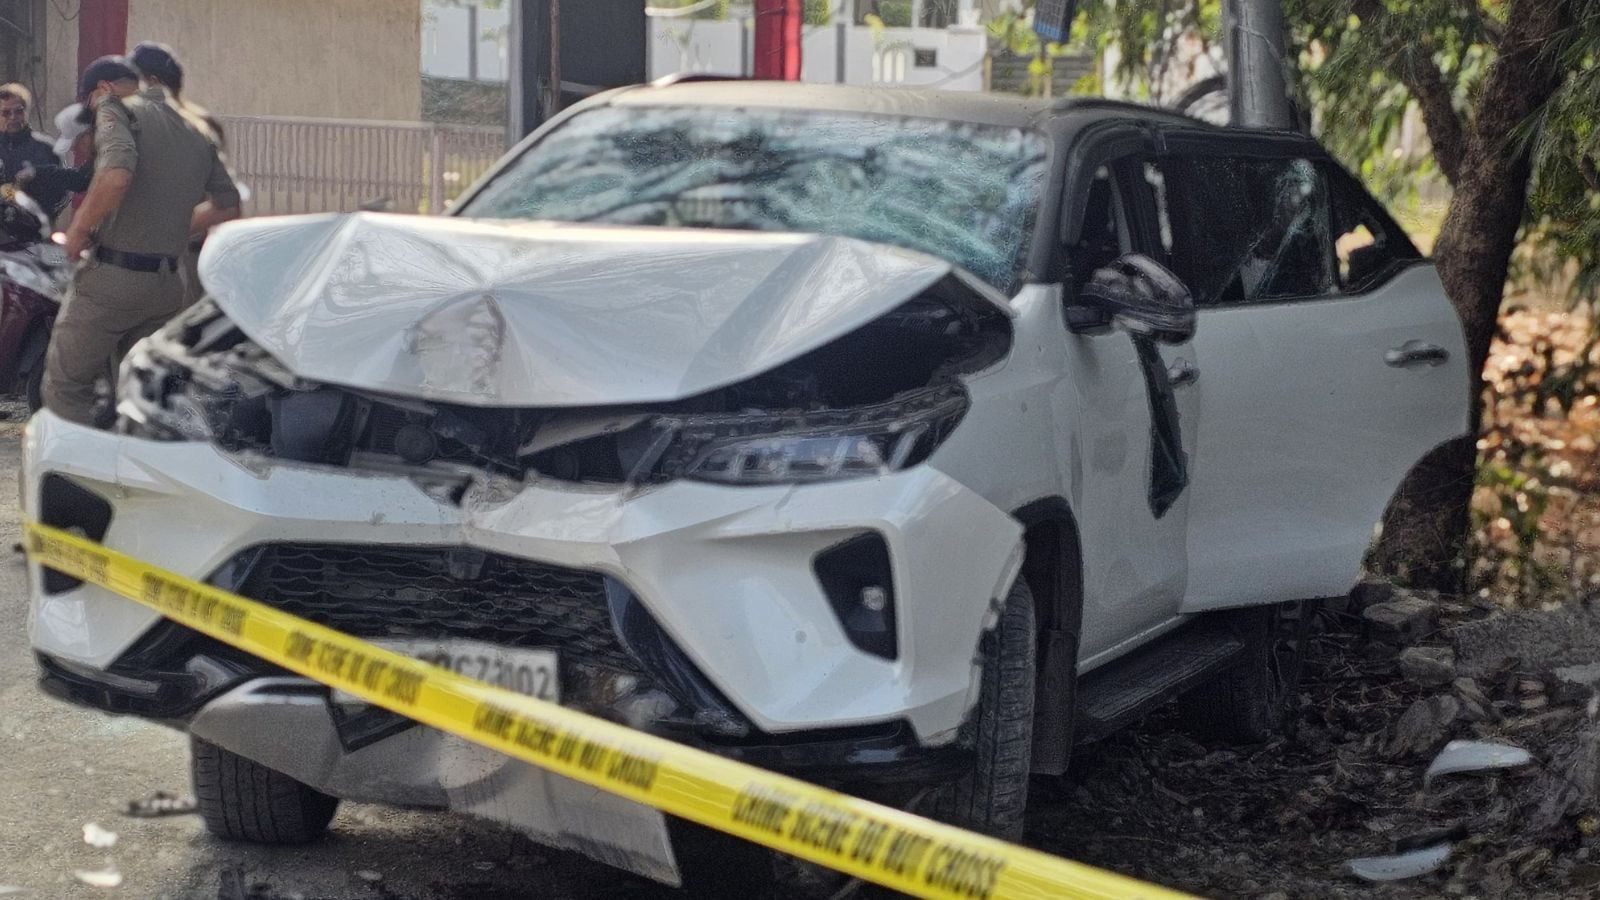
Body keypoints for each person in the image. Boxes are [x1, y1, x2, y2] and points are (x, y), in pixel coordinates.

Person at [41, 55, 241, 427]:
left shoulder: (114, 108)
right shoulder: (193, 125)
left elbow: (117, 175)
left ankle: (75, 475)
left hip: (113, 278)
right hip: (167, 285)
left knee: (66, 386)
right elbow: (228, 206)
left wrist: (80, 230)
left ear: (101, 90)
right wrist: (172, 227)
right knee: (140, 394)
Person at [129, 40, 229, 307]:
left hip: (172, 256)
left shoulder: (148, 126)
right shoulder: (202, 124)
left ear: (152, 82)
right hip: (187, 249)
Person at [0, 84, 60, 188]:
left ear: (27, 111)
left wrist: (37, 177)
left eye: (19, 111)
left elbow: (64, 196)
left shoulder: (46, 148)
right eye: (6, 113)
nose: (13, 117)